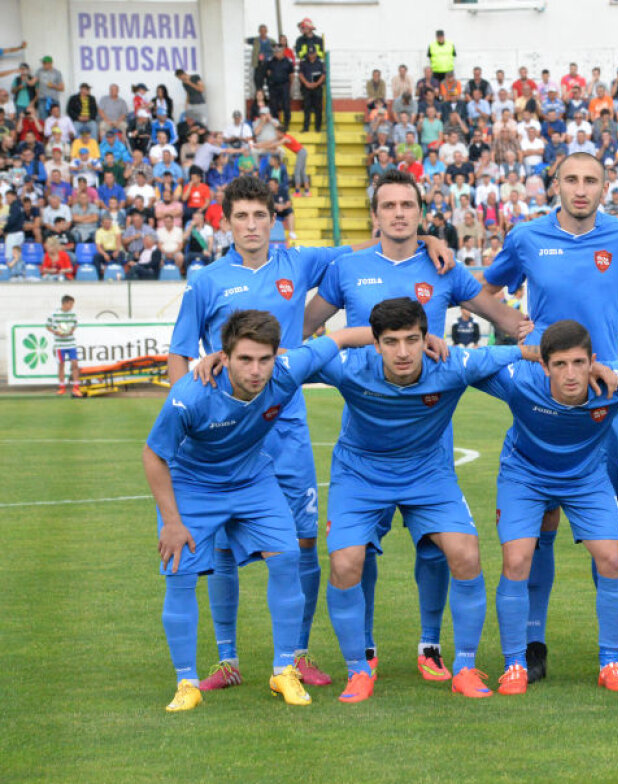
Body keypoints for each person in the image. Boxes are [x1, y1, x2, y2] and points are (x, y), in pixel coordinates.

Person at [167, 176, 392, 691]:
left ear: (274, 221)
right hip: (225, 430)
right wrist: (185, 414)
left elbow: (361, 248)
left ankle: (296, 655)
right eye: (241, 217)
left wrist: (427, 243)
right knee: (223, 545)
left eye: (260, 216)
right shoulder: (206, 281)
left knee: (302, 541)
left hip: (285, 427)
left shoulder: (298, 263)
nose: (251, 226)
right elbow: (180, 351)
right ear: (225, 223)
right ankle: (227, 660)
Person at [302, 169, 517, 679]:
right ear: (375, 216)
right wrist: (361, 337)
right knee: (358, 549)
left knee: (438, 546)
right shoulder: (347, 267)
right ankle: (367, 651)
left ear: (421, 214)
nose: (399, 213)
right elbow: (303, 328)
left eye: (408, 206)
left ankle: (430, 646)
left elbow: (506, 321)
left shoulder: (444, 267)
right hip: (369, 424)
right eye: (389, 206)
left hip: (429, 430)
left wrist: (563, 347)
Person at [480, 152, 618, 683]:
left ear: (605, 185)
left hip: (602, 394)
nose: (581, 189)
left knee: (602, 532)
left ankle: (611, 648)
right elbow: (484, 288)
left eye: (591, 180)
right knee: (538, 524)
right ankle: (532, 641)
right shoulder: (526, 237)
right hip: (547, 388)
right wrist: (515, 328)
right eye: (572, 179)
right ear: (556, 185)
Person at [145, 309, 371, 712]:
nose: (256, 370)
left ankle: (283, 670)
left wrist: (419, 338)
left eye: (263, 359)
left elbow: (341, 338)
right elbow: (153, 455)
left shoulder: (285, 371)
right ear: (224, 356)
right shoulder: (190, 395)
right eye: (245, 359)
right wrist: (173, 522)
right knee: (180, 574)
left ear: (275, 356)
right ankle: (186, 683)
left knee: (287, 558)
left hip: (252, 479)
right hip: (194, 486)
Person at [315, 298, 537, 702]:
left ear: (426, 338)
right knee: (346, 562)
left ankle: (466, 667)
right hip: (360, 473)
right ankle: (358, 670)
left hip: (426, 473)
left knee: (466, 553)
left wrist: (545, 351)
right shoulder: (350, 369)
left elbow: (518, 352)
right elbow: (286, 361)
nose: (403, 352)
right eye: (392, 342)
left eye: (412, 340)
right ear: (376, 344)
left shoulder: (451, 366)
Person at [476, 320, 618, 694]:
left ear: (592, 360)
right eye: (559, 365)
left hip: (585, 478)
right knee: (516, 560)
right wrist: (520, 350)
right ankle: (514, 664)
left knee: (611, 559)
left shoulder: (613, 381)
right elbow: (470, 363)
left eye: (579, 362)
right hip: (524, 475)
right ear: (543, 366)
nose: (571, 374)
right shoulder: (519, 382)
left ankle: (610, 662)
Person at [46, 294, 81, 397]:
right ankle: (62, 387)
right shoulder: (54, 314)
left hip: (71, 343)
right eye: (70, 304)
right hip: (60, 345)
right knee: (61, 365)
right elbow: (47, 326)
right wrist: (56, 332)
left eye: (72, 304)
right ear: (65, 303)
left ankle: (76, 388)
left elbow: (75, 325)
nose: (71, 306)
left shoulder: (73, 314)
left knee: (75, 364)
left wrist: (71, 331)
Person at [297, 48, 325, 133]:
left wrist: (316, 84)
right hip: (306, 88)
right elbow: (300, 74)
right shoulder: (303, 63)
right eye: (310, 54)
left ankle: (318, 128)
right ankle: (306, 128)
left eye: (313, 53)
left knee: (318, 108)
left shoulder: (320, 63)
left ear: (316, 53)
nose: (311, 55)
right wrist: (306, 83)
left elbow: (323, 75)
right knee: (306, 108)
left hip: (317, 88)